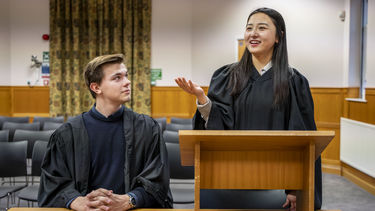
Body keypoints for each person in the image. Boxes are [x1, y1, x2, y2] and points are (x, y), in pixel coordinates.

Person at [175, 7, 321, 211]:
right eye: (249, 28)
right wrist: (202, 99)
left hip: (277, 180)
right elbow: (218, 127)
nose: (253, 33)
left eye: (262, 28)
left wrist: (295, 188)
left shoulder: (293, 82)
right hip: (229, 177)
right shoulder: (226, 76)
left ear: (279, 36)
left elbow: (302, 138)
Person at [38, 54, 173, 210]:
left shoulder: (147, 128)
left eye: (126, 76)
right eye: (117, 78)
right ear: (96, 87)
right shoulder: (67, 134)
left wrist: (129, 199)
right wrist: (76, 200)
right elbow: (53, 181)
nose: (128, 82)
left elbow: (158, 180)